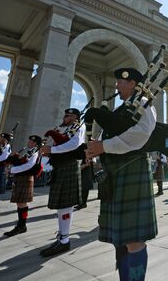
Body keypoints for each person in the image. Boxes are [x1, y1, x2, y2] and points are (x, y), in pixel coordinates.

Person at [85, 67, 157, 281]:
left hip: (132, 169)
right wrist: (95, 149)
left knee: (133, 239)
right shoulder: (122, 108)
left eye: (121, 82)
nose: (116, 85)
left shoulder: (144, 103)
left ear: (132, 84)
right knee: (121, 238)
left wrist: (104, 146)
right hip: (115, 172)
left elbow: (141, 134)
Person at [39, 108, 84, 257]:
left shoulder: (79, 127)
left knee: (65, 205)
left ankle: (64, 240)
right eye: (65, 115)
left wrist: (51, 149)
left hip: (69, 165)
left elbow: (73, 144)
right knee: (61, 206)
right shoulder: (63, 129)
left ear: (76, 118)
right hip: (60, 166)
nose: (66, 118)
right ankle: (62, 236)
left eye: (70, 116)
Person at [4, 135, 42, 236]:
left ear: (35, 143)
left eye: (30, 141)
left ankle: (21, 226)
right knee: (20, 203)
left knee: (22, 204)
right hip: (21, 178)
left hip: (25, 179)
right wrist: (14, 158)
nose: (28, 142)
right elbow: (22, 163)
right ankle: (21, 225)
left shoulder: (35, 152)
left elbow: (29, 166)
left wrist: (11, 170)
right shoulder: (29, 152)